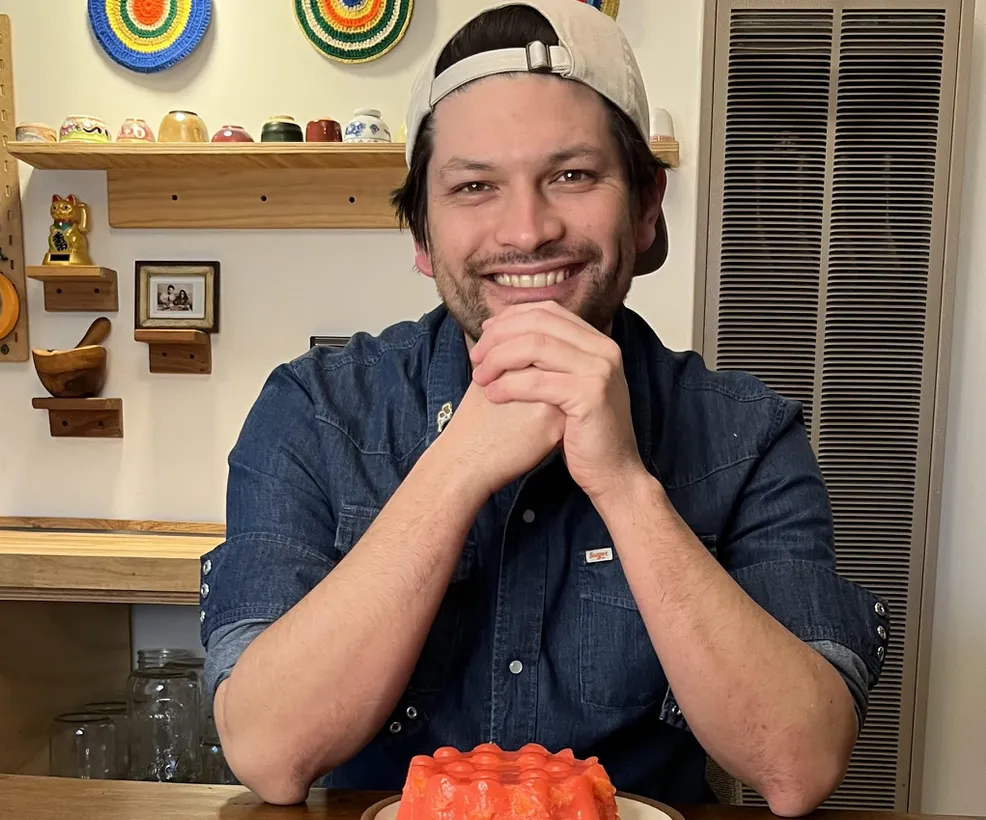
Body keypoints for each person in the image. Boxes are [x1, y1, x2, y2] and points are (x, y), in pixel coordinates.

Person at [199, 1, 889, 815]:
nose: (525, 232)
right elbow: (270, 754)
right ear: (422, 233)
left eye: (572, 175)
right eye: (473, 186)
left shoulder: (748, 434)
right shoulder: (313, 412)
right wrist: (458, 465)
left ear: (645, 206)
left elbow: (797, 767)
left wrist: (626, 485)